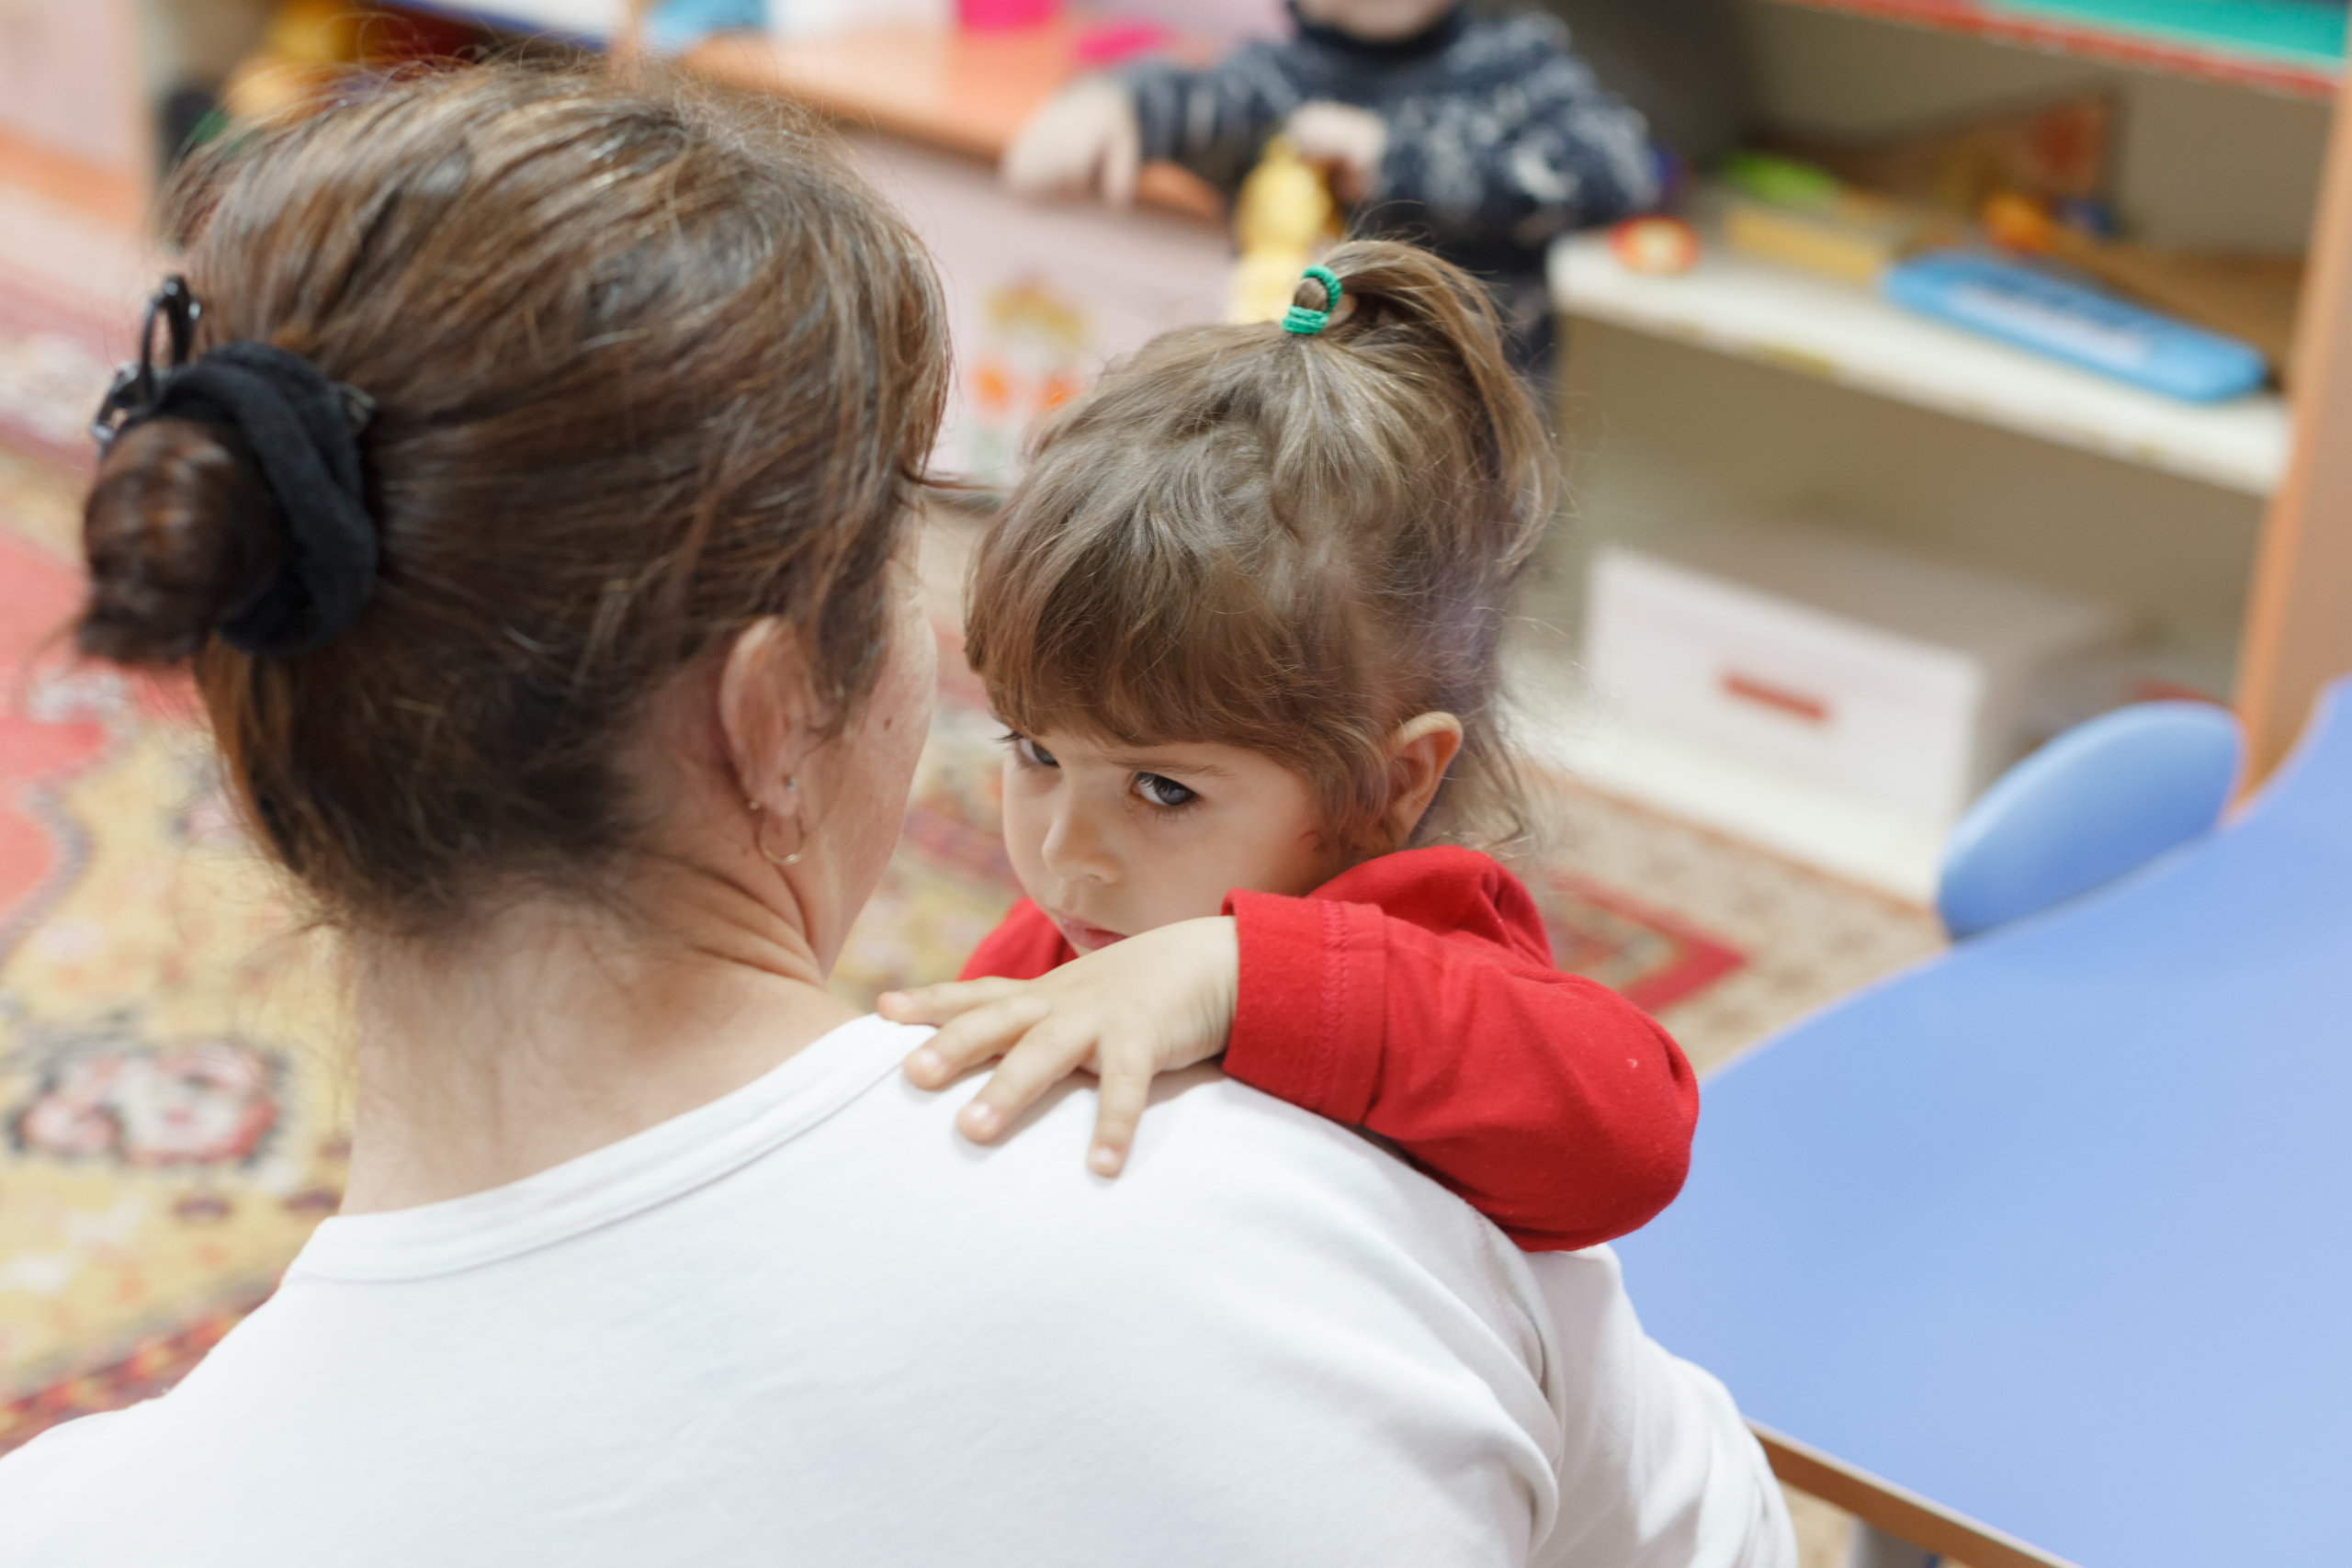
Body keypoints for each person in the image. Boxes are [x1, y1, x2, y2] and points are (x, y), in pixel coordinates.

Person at [0, 63, 1792, 1568]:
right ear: (775, 716)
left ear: (257, 728)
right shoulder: (1350, 1224)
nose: (1071, 842)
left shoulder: (84, 1522)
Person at [883, 243, 1696, 1253]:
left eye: (1163, 790)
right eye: (1036, 754)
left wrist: (1237, 974)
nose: (1066, 853)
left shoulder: (1427, 952)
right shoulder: (1064, 938)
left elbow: (1633, 1135)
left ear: (1389, 782)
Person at [1001, 0, 1657, 382]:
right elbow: (1187, 102)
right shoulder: (1273, 85)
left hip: (1475, 461)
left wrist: (1393, 159)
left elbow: (1622, 167)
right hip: (1297, 446)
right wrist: (1111, 101)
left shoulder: (1517, 65)